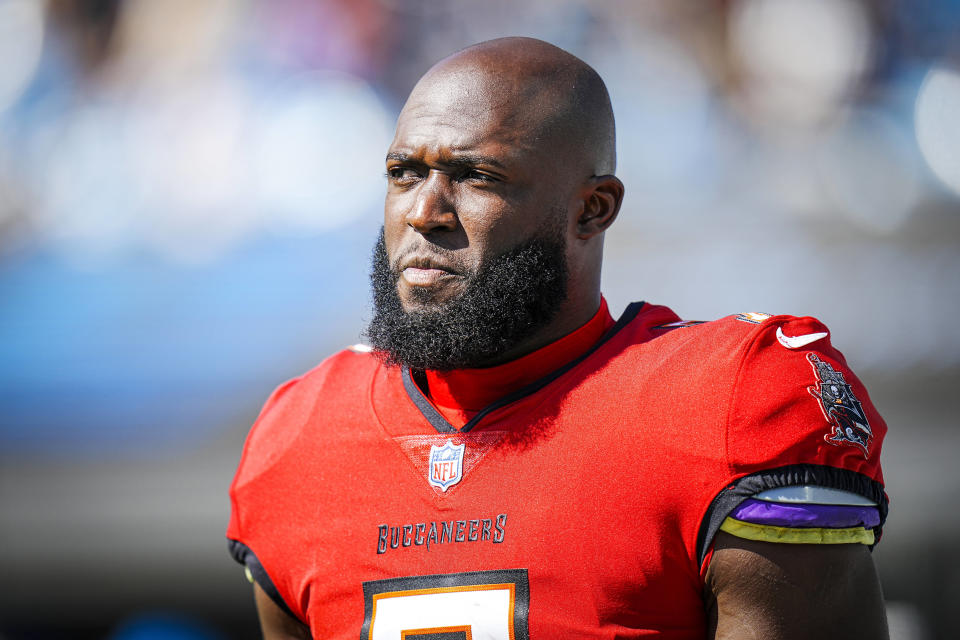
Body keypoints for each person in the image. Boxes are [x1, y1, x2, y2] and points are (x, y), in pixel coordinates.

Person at [227, 37, 889, 639]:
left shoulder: (728, 402)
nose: (422, 211)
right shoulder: (302, 432)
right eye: (404, 173)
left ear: (592, 208)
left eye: (477, 177)